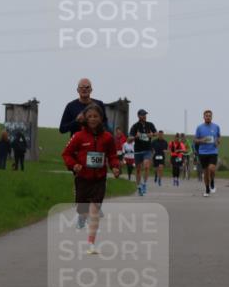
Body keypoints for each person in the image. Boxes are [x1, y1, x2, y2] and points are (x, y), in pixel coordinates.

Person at [61, 103, 121, 255]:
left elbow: (113, 155)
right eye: (90, 117)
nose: (93, 119)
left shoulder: (107, 137)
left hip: (99, 179)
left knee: (94, 211)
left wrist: (115, 167)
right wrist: (73, 165)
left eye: (96, 116)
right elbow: (66, 154)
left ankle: (91, 243)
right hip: (82, 178)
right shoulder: (79, 136)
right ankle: (82, 214)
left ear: (101, 118)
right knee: (82, 208)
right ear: (85, 119)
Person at [128, 109, 157, 196]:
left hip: (147, 150)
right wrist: (135, 137)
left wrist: (152, 134)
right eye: (142, 115)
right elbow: (129, 140)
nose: (144, 116)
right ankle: (138, 186)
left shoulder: (150, 124)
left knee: (146, 165)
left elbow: (155, 132)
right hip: (138, 150)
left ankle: (144, 184)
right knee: (138, 169)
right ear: (138, 116)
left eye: (145, 114)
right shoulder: (135, 126)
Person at [194, 109, 222, 197]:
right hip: (203, 152)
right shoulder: (199, 127)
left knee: (212, 168)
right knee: (206, 172)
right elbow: (195, 140)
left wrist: (218, 142)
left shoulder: (216, 127)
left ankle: (212, 181)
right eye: (206, 116)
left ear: (211, 117)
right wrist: (202, 140)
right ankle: (207, 189)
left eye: (209, 116)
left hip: (213, 151)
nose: (208, 117)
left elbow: (219, 137)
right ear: (204, 117)